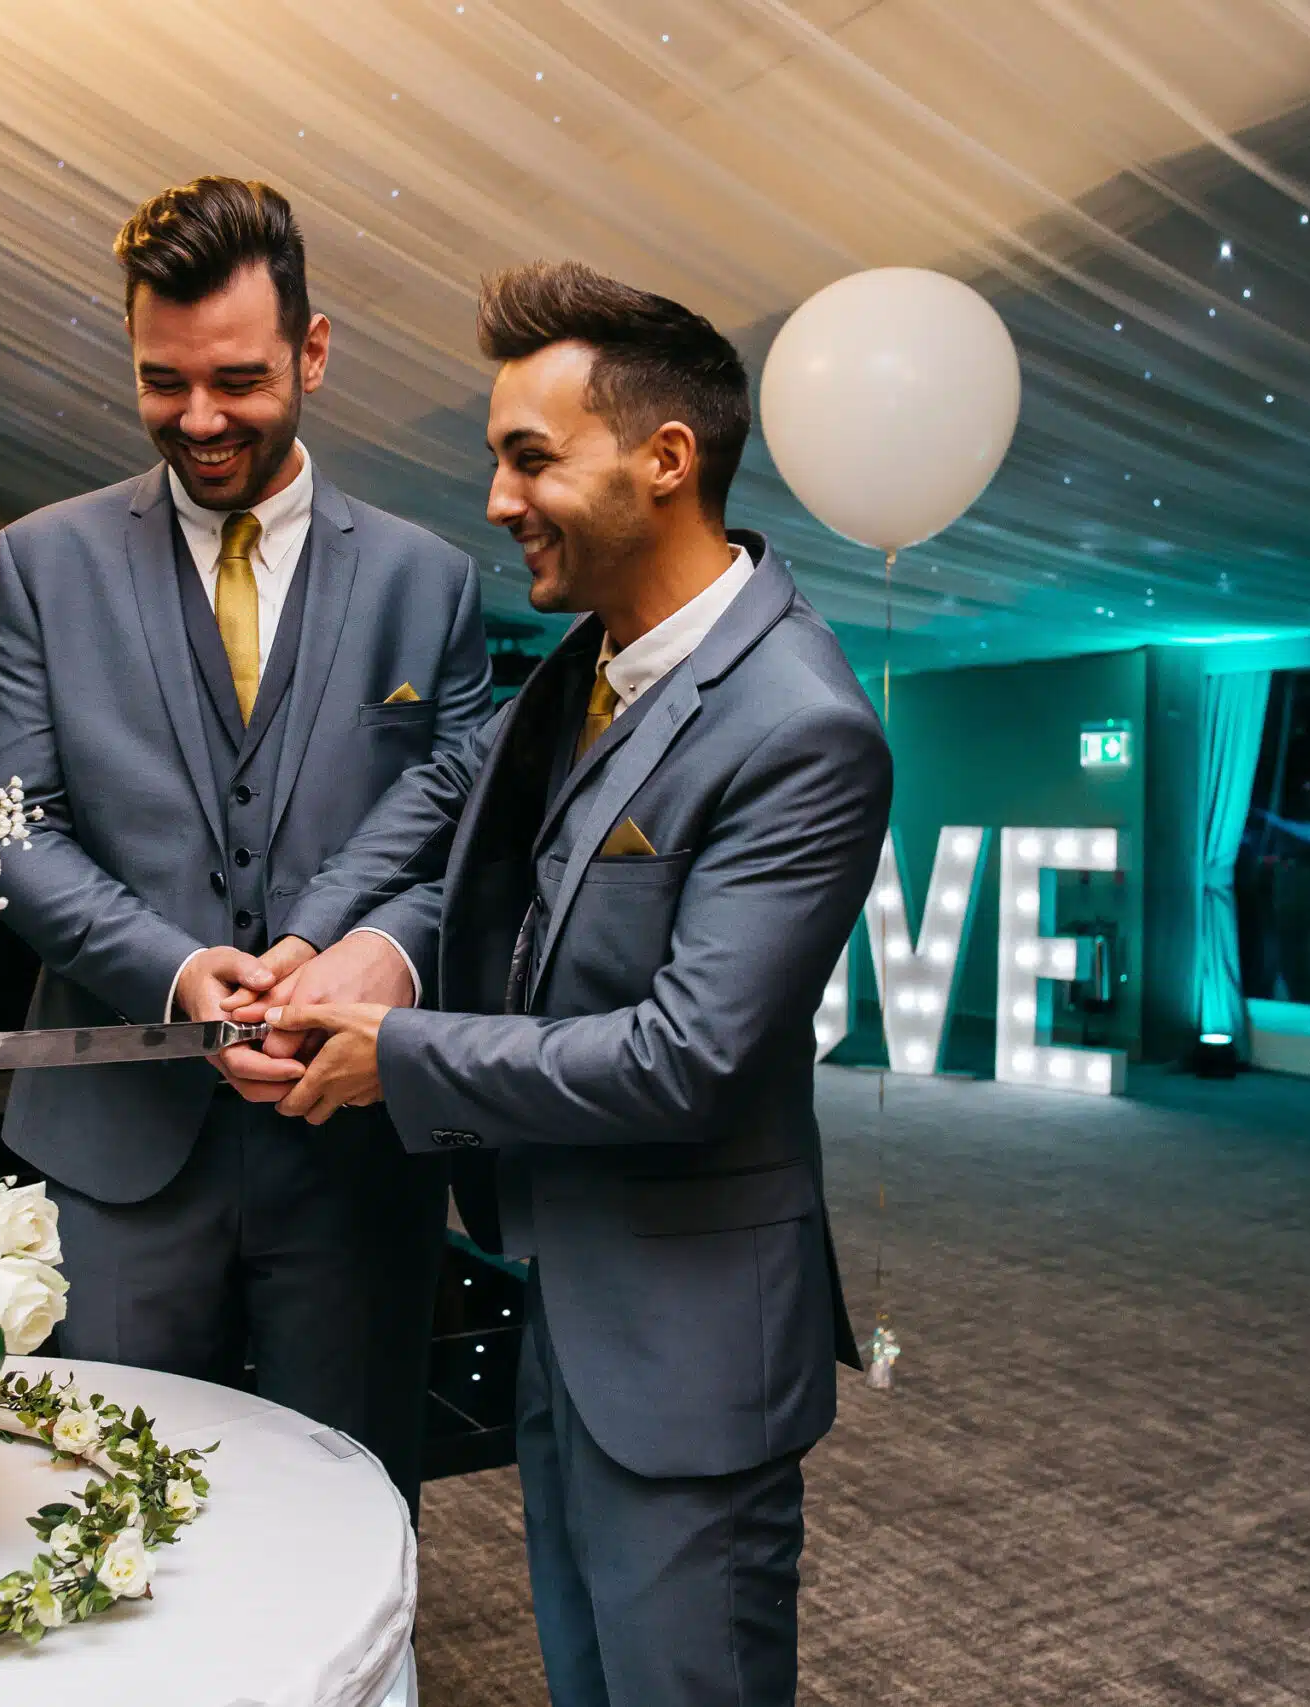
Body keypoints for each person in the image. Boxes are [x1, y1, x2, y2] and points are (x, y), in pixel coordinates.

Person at [227, 261, 891, 1706]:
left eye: (531, 458)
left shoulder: (805, 727)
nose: (497, 499)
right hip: (574, 1314)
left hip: (697, 1357)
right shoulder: (591, 664)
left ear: (666, 461)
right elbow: (451, 783)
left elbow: (683, 1060)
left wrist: (396, 1049)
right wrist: (318, 937)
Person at [0, 176, 493, 1516]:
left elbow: (469, 839)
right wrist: (174, 968)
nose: (198, 418)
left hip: (357, 1147)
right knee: (121, 1517)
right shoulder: (43, 563)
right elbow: (15, 827)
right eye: (163, 380)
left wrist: (375, 954)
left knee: (350, 1506)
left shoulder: (430, 581)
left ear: (314, 354)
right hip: (122, 1151)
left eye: (240, 379)